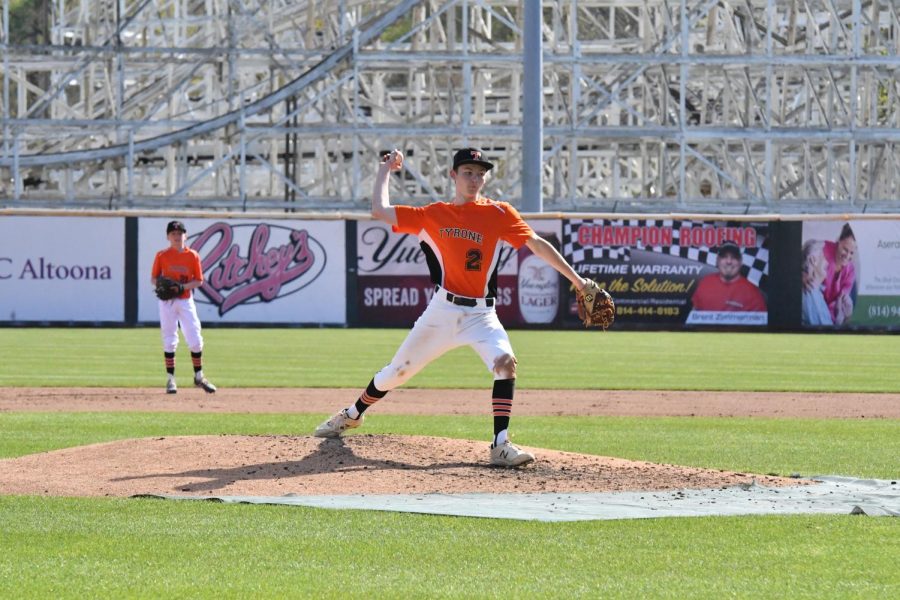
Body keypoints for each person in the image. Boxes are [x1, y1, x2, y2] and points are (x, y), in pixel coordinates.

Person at [313, 147, 591, 467]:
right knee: (395, 373)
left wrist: (578, 281)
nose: (475, 179)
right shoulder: (432, 214)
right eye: (468, 172)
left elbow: (537, 245)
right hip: (442, 312)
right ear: (453, 175)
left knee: (505, 363)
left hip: (482, 315)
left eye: (480, 173)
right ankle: (351, 415)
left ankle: (501, 444)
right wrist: (385, 170)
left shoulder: (499, 213)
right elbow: (380, 209)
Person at [150, 220, 217, 395]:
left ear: (185, 235)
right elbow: (154, 279)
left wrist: (181, 287)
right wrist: (162, 286)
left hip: (186, 300)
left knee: (195, 340)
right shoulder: (161, 256)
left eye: (180, 233)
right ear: (168, 237)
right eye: (173, 234)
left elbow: (199, 280)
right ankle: (171, 380)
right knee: (170, 340)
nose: (177, 236)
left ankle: (199, 377)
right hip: (168, 303)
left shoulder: (192, 255)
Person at [690, 241, 766, 312]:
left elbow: (760, 323)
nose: (729, 261)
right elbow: (694, 314)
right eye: (724, 257)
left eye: (734, 257)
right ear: (717, 260)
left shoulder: (752, 293)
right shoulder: (705, 282)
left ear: (740, 262)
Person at [822, 223, 856, 326]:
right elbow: (807, 251)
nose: (847, 256)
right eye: (845, 249)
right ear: (839, 241)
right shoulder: (824, 248)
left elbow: (840, 302)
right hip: (815, 306)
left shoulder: (851, 271)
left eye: (851, 253)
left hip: (830, 318)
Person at [800, 239, 833, 326]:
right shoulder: (811, 295)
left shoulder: (815, 290)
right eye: (823, 257)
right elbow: (828, 336)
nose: (827, 262)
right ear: (813, 260)